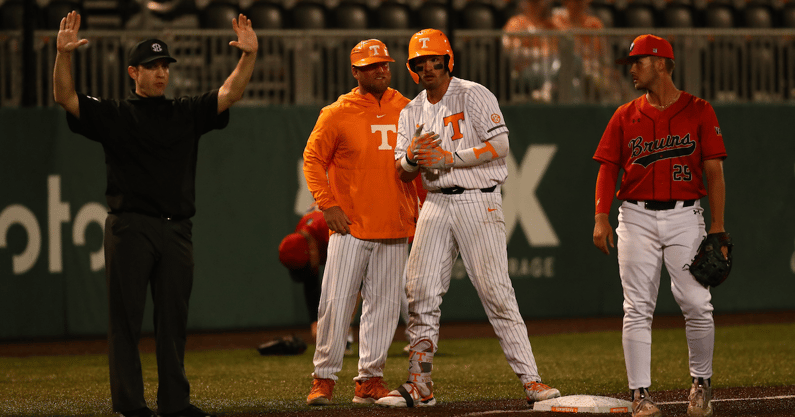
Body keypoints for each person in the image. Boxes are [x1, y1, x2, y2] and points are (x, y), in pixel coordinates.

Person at [52, 11, 257, 417]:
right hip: (130, 229)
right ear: (133, 72)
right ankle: (130, 404)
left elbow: (229, 94)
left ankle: (174, 403)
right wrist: (63, 56)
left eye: (165, 66)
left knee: (172, 323)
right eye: (152, 67)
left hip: (177, 231)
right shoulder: (115, 114)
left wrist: (248, 57)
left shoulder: (185, 111)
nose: (161, 73)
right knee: (125, 323)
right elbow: (66, 98)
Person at [376, 28, 561, 408]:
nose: (428, 67)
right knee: (420, 291)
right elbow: (403, 171)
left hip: (479, 200)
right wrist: (412, 156)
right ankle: (419, 384)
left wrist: (449, 158)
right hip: (436, 204)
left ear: (448, 61)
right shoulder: (411, 111)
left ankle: (532, 381)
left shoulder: (474, 93)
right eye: (420, 62)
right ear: (412, 68)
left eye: (434, 60)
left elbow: (501, 146)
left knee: (496, 293)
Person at [592, 34, 727, 417]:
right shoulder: (624, 114)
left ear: (662, 63)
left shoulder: (700, 110)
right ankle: (640, 394)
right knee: (636, 307)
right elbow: (608, 169)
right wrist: (602, 216)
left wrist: (717, 227)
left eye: (638, 62)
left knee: (698, 304)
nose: (631, 69)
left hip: (687, 216)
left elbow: (714, 172)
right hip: (635, 217)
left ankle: (701, 384)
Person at [302, 38, 419, 406]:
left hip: (396, 224)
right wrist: (327, 204)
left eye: (384, 64)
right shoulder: (337, 112)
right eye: (370, 66)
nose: (380, 70)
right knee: (335, 305)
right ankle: (323, 379)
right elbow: (312, 160)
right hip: (350, 225)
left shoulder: (409, 108)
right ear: (355, 72)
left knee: (384, 309)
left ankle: (369, 381)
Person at [277, 204, 356, 355]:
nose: (308, 268)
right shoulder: (303, 234)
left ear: (312, 250)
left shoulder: (331, 230)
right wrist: (315, 322)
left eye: (306, 265)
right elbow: (310, 280)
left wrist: (344, 325)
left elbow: (356, 278)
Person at [502, 0, 559, 102]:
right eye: (532, 2)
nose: (536, 4)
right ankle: (547, 88)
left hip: (551, 67)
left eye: (539, 1)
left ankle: (547, 89)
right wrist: (540, 54)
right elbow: (511, 51)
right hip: (525, 71)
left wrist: (539, 54)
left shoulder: (551, 25)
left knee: (572, 76)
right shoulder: (516, 22)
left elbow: (556, 52)